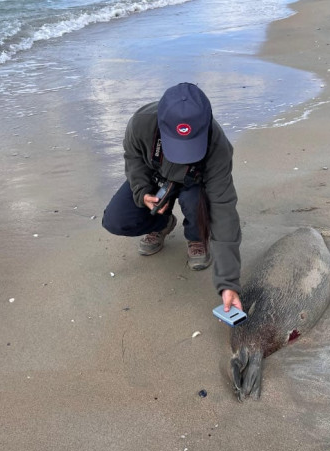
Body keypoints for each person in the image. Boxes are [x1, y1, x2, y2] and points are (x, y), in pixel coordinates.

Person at [102, 83, 242, 312]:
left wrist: (228, 283)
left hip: (195, 184)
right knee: (116, 220)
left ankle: (197, 236)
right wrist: (142, 191)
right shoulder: (141, 122)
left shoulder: (218, 147)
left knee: (195, 201)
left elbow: (224, 208)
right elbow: (133, 158)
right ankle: (163, 223)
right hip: (156, 179)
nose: (182, 155)